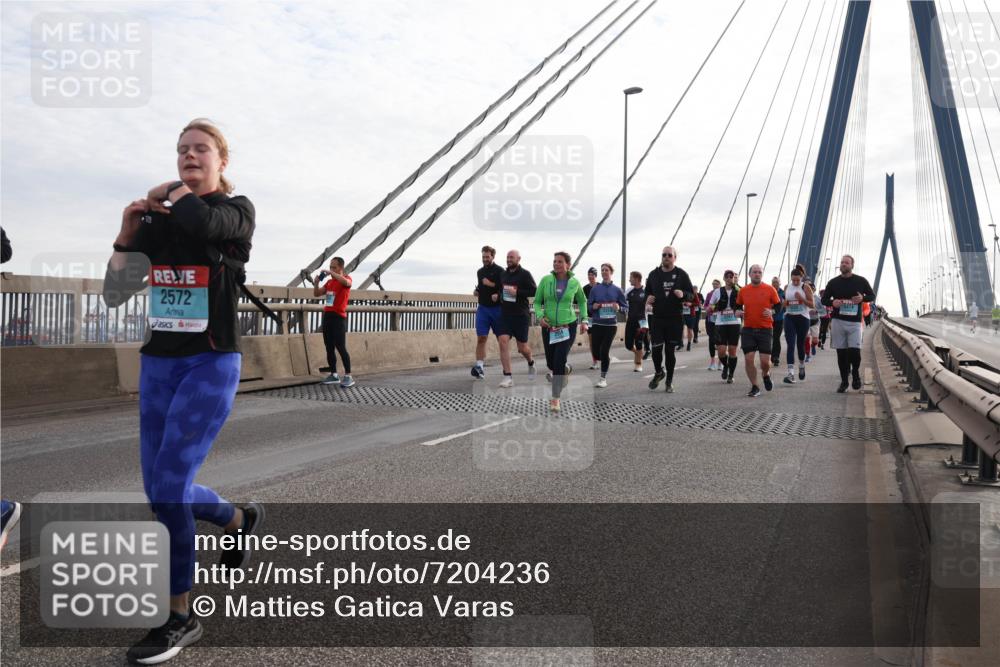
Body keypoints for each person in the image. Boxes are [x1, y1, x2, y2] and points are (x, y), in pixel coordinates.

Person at [103, 119, 263, 664]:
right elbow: (116, 295)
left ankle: (180, 615)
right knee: (161, 493)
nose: (188, 157)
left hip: (210, 362)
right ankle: (237, 518)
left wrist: (169, 193)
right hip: (158, 366)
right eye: (181, 151)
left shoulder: (235, 210)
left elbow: (203, 223)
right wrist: (128, 232)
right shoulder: (159, 221)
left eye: (200, 150)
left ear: (221, 160)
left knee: (169, 490)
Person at [534, 251, 589, 411]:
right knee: (551, 362)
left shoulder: (574, 283)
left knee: (558, 361)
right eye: (555, 261)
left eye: (559, 261)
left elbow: (583, 301)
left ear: (568, 265)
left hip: (567, 326)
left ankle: (555, 398)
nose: (556, 264)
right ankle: (565, 369)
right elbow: (537, 302)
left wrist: (584, 320)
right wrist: (540, 316)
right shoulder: (546, 280)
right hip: (549, 327)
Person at [821, 254, 875, 392]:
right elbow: (824, 299)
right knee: (841, 354)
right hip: (838, 321)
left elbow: (872, 296)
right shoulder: (833, 283)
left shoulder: (861, 281)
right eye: (842, 262)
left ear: (852, 265)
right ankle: (844, 381)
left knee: (854, 353)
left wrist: (862, 298)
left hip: (855, 323)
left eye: (846, 262)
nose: (843, 264)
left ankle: (855, 374)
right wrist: (833, 302)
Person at [644, 246, 695, 393]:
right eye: (664, 255)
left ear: (674, 258)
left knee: (670, 351)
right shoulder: (653, 275)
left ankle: (669, 381)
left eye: (669, 255)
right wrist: (648, 299)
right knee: (656, 349)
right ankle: (659, 372)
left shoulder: (681, 274)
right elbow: (647, 292)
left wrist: (683, 295)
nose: (666, 257)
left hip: (674, 318)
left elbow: (692, 296)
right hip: (658, 317)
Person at [736, 264, 781, 397]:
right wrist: (737, 311)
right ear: (750, 274)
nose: (757, 274)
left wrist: (772, 311)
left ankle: (766, 375)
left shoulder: (770, 289)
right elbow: (737, 305)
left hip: (765, 329)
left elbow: (779, 306)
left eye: (759, 272)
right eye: (754, 272)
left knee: (765, 362)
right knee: (749, 359)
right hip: (748, 329)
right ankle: (755, 386)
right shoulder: (743, 290)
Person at [313, 256, 354, 387]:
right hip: (328, 316)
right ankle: (334, 375)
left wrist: (332, 274)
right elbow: (317, 294)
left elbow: (347, 284)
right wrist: (316, 283)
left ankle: (348, 376)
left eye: (334, 267)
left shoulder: (346, 279)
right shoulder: (329, 283)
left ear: (341, 268)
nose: (331, 269)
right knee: (329, 347)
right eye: (330, 267)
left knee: (341, 347)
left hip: (339, 318)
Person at [497, 249, 537, 387]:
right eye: (507, 257)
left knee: (522, 348)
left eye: (511, 257)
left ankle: (531, 361)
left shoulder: (525, 274)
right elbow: (501, 289)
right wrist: (498, 295)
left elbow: (534, 291)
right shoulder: (503, 274)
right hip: (505, 314)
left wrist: (516, 292)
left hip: (520, 315)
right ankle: (508, 376)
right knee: (502, 341)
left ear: (518, 259)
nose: (509, 260)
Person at [587, 263, 628, 387]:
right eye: (602, 270)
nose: (604, 272)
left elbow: (626, 308)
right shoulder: (595, 289)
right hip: (597, 324)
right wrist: (593, 306)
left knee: (604, 351)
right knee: (596, 353)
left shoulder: (617, 290)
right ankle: (605, 358)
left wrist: (619, 307)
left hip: (610, 325)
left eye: (606, 270)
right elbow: (588, 306)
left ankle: (603, 378)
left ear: (611, 272)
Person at [471, 245, 503, 379]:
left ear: (493, 257)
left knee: (501, 340)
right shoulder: (480, 272)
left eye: (487, 257)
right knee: (481, 338)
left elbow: (505, 289)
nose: (484, 259)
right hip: (483, 308)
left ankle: (506, 370)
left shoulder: (500, 271)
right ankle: (480, 367)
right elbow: (480, 285)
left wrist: (492, 286)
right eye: (483, 257)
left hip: (497, 309)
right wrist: (477, 291)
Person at [707, 270, 741, 384]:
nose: (729, 278)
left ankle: (731, 374)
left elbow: (745, 304)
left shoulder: (739, 290)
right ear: (724, 278)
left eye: (732, 276)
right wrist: (711, 308)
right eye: (727, 276)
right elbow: (711, 304)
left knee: (732, 351)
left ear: (734, 278)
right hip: (720, 324)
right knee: (721, 351)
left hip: (734, 323)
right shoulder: (717, 291)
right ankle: (726, 366)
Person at [781, 265, 813, 383]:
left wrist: (801, 299)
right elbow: (784, 304)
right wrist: (785, 303)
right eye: (793, 280)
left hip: (803, 318)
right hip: (789, 317)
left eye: (797, 280)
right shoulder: (786, 287)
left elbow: (812, 305)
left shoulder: (806, 287)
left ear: (801, 278)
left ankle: (801, 365)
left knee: (800, 344)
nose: (795, 282)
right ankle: (790, 374)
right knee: (790, 344)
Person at [624, 270, 648, 372]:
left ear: (637, 279)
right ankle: (638, 354)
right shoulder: (629, 291)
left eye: (631, 277)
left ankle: (638, 364)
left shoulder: (645, 292)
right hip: (630, 321)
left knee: (639, 344)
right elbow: (623, 302)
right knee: (628, 345)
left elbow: (651, 305)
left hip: (642, 322)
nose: (629, 279)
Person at [584, 267, 600, 369]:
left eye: (592, 275)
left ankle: (601, 356)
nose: (590, 276)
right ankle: (595, 361)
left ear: (595, 276)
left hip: (600, 317)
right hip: (589, 317)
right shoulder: (585, 288)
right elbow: (579, 300)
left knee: (600, 339)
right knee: (591, 340)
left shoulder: (600, 287)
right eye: (589, 274)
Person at [704, 279, 722, 371]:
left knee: (721, 341)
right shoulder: (709, 294)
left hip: (721, 320)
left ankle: (720, 362)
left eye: (716, 284)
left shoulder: (723, 293)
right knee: (711, 340)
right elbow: (705, 305)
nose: (715, 285)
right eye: (713, 284)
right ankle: (712, 362)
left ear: (720, 285)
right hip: (711, 319)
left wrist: (716, 307)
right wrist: (709, 308)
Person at [770, 276, 785, 364]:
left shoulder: (783, 293)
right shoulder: (768, 291)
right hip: (768, 319)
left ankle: (776, 357)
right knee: (768, 338)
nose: (775, 284)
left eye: (777, 282)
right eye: (774, 282)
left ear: (780, 283)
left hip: (779, 318)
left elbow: (785, 305)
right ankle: (769, 355)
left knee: (776, 338)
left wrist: (782, 306)